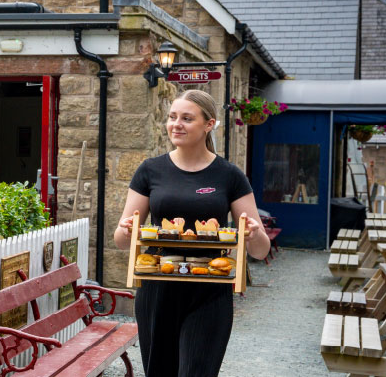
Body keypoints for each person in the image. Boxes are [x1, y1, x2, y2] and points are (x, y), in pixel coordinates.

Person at [114, 89, 270, 376]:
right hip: (157, 289)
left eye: (187, 118)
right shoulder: (150, 170)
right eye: (172, 117)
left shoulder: (229, 175)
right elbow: (122, 240)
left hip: (209, 290)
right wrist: (127, 230)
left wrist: (254, 234)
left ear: (208, 124)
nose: (176, 124)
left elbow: (260, 250)